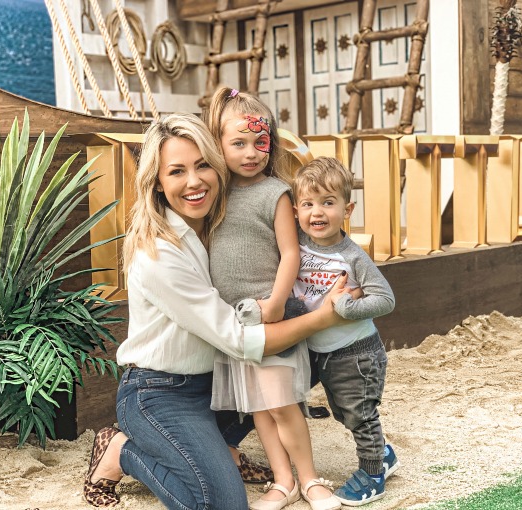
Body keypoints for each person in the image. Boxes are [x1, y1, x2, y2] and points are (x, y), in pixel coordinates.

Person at [82, 113, 358, 509]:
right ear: (157, 184)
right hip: (161, 392)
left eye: (202, 166)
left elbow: (301, 245)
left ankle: (218, 447)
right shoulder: (159, 253)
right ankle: (121, 452)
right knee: (223, 504)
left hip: (217, 382)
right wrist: (324, 316)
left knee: (303, 355)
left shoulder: (219, 222)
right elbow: (241, 339)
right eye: (177, 171)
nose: (194, 181)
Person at [205, 86, 341, 510]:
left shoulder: (275, 192)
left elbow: (290, 253)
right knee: (259, 408)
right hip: (236, 323)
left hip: (271, 315)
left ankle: (311, 479)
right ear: (219, 144)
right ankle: (283, 482)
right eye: (239, 143)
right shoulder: (216, 194)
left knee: (282, 403)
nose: (251, 152)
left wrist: (279, 302)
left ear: (271, 142)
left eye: (259, 142)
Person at [292, 156, 399, 506]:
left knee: (360, 414)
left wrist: (347, 307)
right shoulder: (297, 245)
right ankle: (384, 453)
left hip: (356, 353)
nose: (317, 213)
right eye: (308, 203)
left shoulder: (353, 256)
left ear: (348, 208)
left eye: (328, 202)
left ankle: (373, 474)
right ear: (295, 210)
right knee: (342, 412)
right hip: (317, 348)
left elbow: (385, 299)